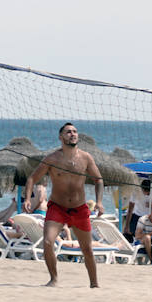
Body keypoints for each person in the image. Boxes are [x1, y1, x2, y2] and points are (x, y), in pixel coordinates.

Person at [23, 123, 106, 289]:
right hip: (57, 207)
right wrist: (27, 198)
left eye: (75, 132)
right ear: (61, 137)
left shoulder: (86, 157)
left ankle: (94, 283)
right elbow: (32, 178)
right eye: (68, 132)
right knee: (47, 242)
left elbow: (99, 180)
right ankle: (53, 279)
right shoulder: (52, 158)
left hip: (79, 208)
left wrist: (99, 202)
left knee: (87, 249)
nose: (73, 134)